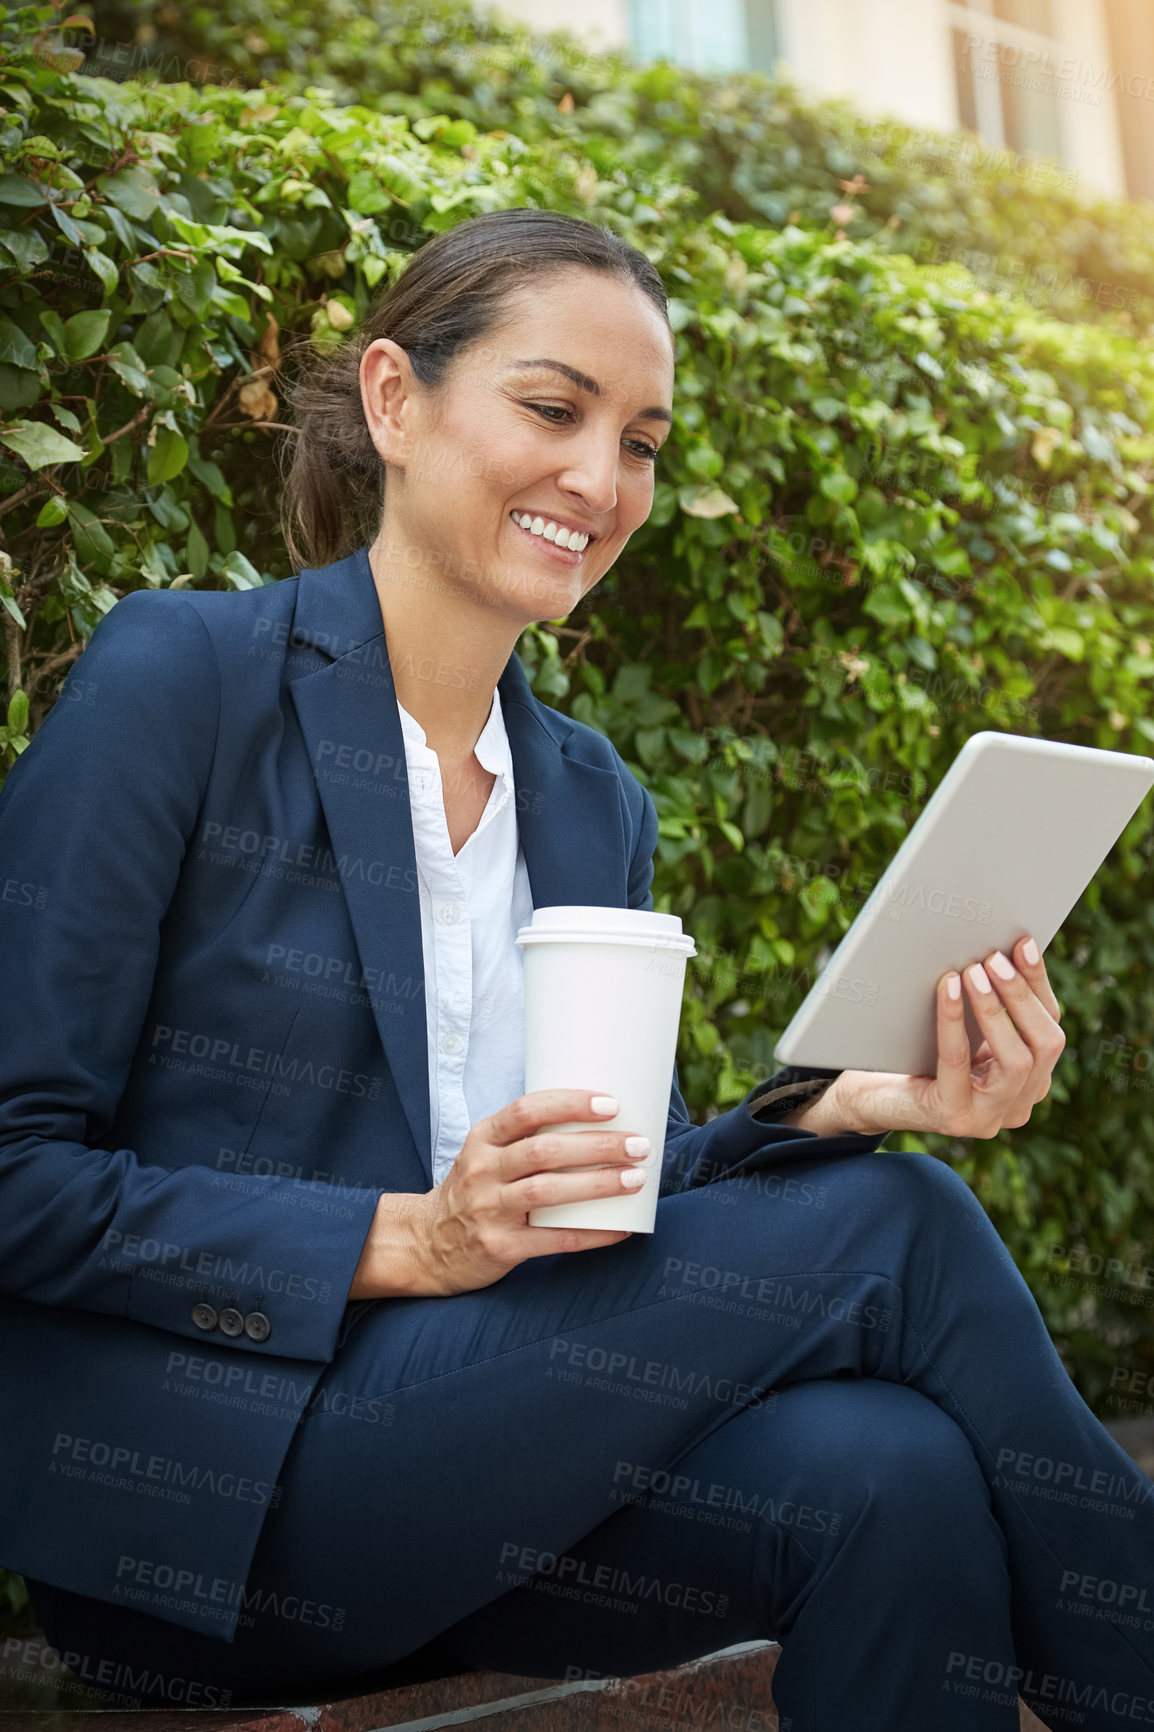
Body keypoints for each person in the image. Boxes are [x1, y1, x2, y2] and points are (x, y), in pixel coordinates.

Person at [0, 207, 1150, 1732]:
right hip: (221, 1503)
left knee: (892, 1471)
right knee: (897, 1221)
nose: (600, 482)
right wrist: (408, 1239)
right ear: (397, 402)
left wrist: (837, 1105)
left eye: (644, 442)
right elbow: (17, 1176)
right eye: (552, 409)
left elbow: (616, 1183)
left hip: (492, 1448)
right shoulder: (184, 682)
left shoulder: (590, 793)